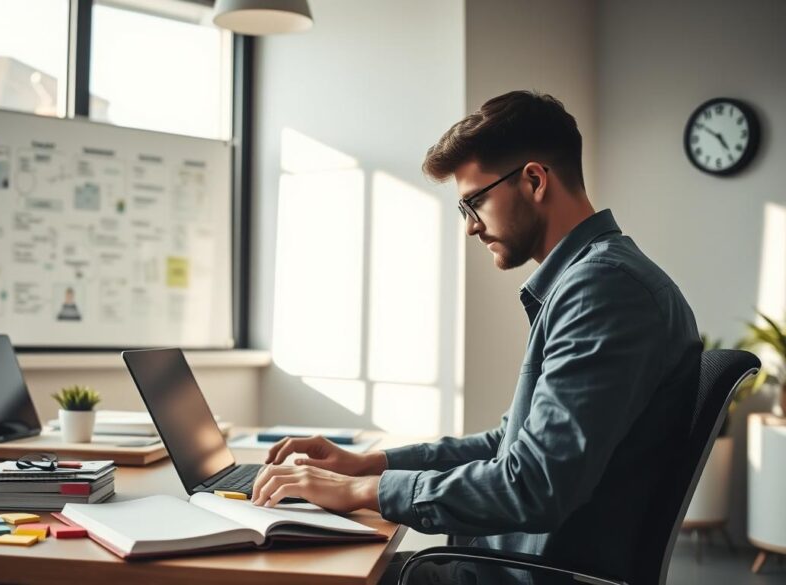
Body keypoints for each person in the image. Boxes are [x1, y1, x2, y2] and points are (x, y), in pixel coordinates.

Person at [251, 90, 701, 584]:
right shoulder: (591, 281)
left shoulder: (605, 289)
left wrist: (365, 491)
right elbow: (506, 446)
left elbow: (534, 486)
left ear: (533, 179)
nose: (470, 227)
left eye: (475, 201)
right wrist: (366, 465)